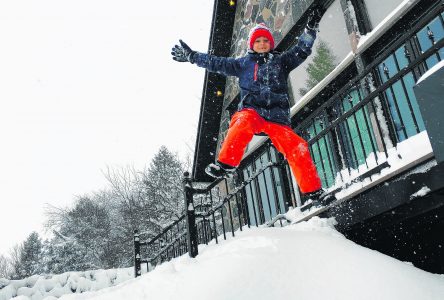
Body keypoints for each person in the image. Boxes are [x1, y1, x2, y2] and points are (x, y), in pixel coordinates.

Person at [171, 6, 334, 205]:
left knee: (297, 146)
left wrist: (310, 29)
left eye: (266, 40)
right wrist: (193, 56)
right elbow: (217, 63)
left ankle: (314, 191)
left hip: (277, 119)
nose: (263, 44)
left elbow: (301, 50)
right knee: (241, 120)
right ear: (252, 44)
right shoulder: (243, 64)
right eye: (258, 41)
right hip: (253, 112)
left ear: (271, 44)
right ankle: (227, 164)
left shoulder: (281, 61)